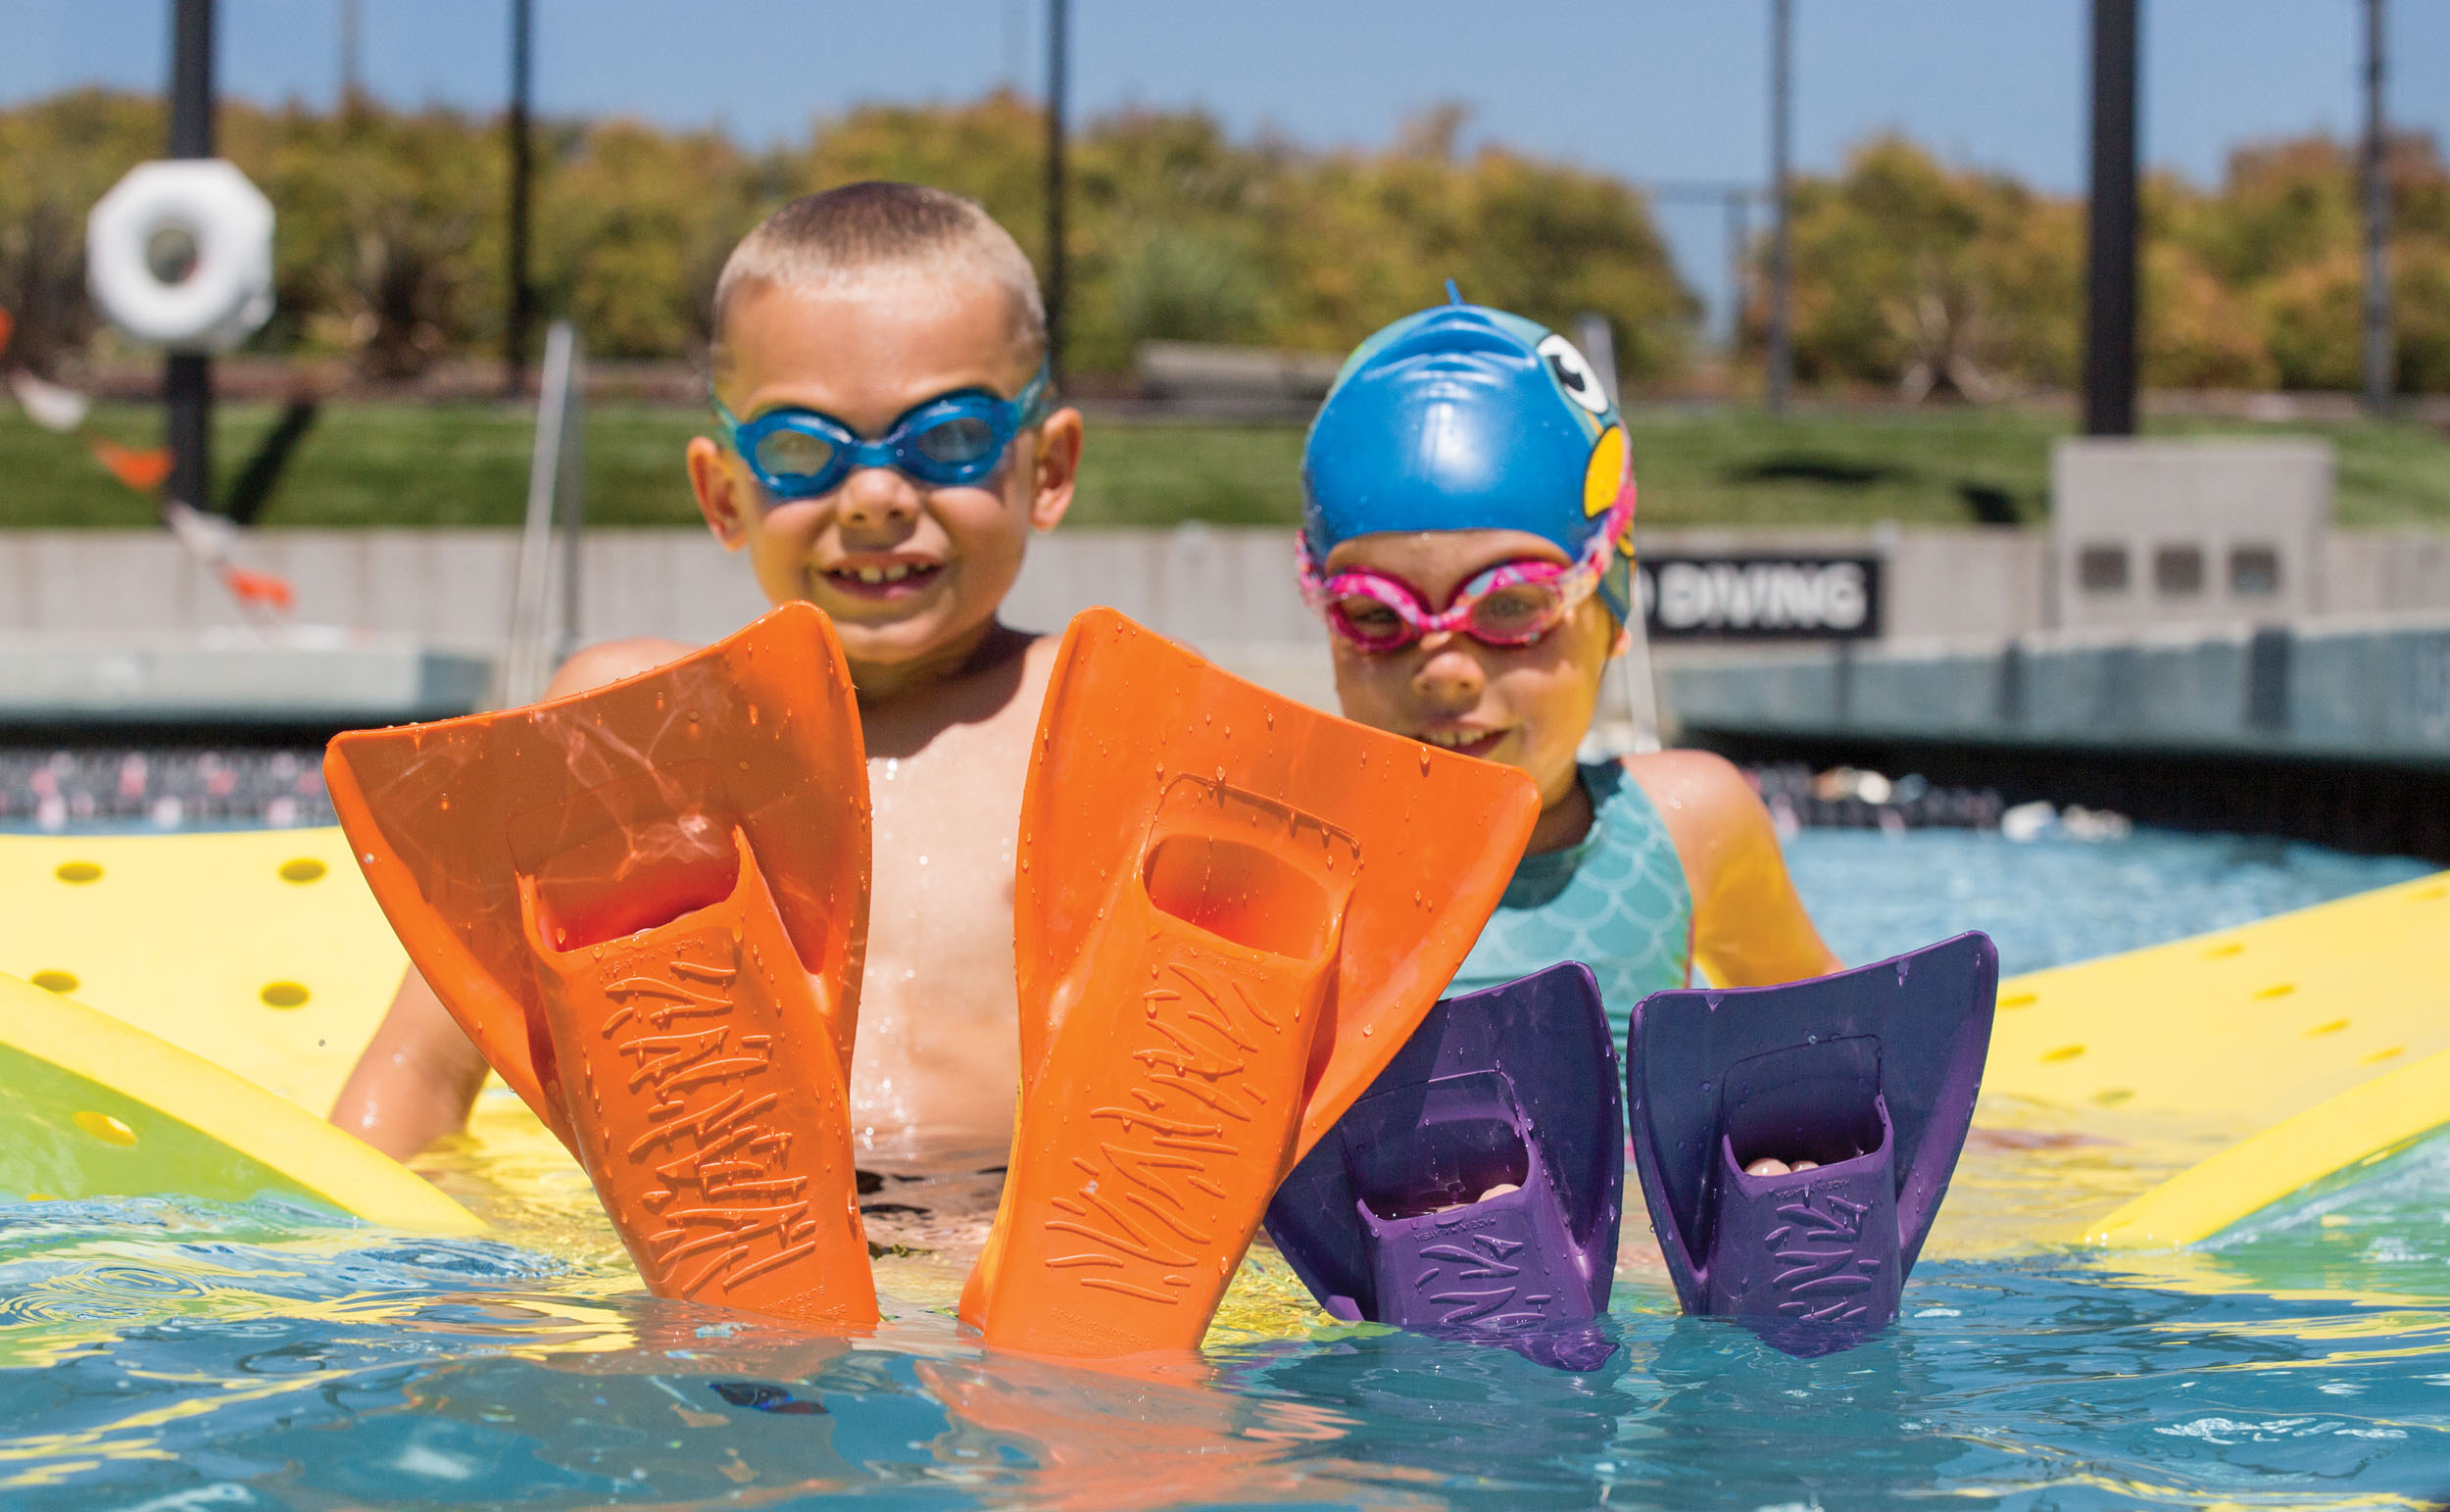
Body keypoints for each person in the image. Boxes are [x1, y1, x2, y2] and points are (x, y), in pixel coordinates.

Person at [330, 182, 1081, 1175]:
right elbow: (419, 1075)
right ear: (722, 494)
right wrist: (334, 1250)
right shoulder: (627, 726)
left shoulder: (1086, 723)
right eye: (802, 449)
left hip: (1006, 1246)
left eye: (947, 439)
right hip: (689, 1248)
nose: (874, 497)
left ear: (1048, 470)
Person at [1298, 294, 1840, 1036]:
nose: (1446, 670)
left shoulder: (1690, 828)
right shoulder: (1283, 863)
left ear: (1610, 606)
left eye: (1509, 604)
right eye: (1376, 613)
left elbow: (1841, 1052)